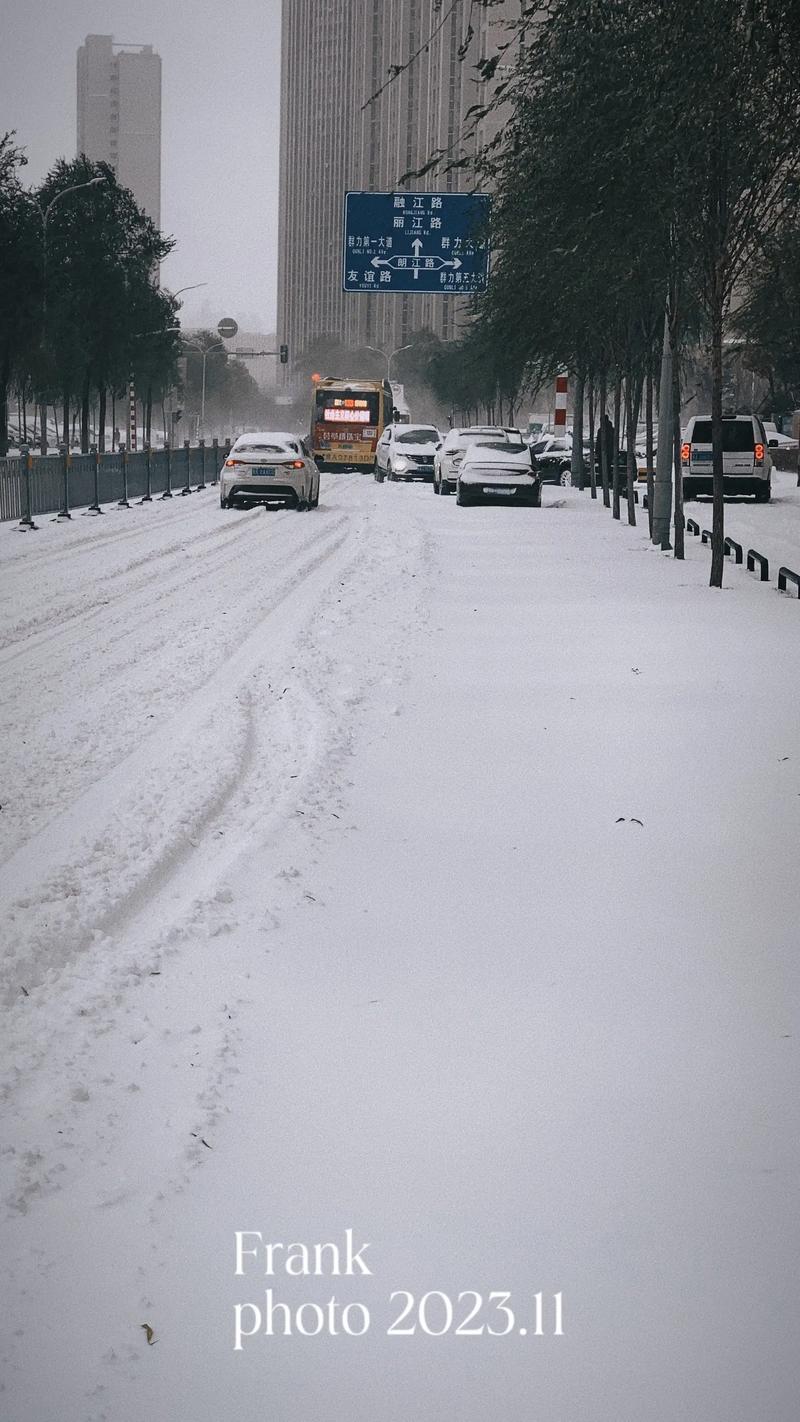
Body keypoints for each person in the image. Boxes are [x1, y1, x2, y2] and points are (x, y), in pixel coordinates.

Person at [596, 413, 615, 480]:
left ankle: (603, 482)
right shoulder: (612, 430)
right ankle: (608, 481)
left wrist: (597, 452)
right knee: (608, 468)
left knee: (603, 468)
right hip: (610, 453)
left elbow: (598, 443)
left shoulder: (601, 430)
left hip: (603, 453)